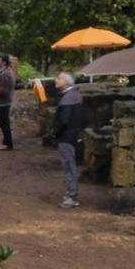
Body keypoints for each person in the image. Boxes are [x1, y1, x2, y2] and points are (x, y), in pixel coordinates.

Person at [52, 72, 85, 207]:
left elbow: (63, 120)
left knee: (68, 166)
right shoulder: (75, 96)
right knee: (70, 165)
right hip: (73, 135)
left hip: (66, 136)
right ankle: (72, 194)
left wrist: (55, 133)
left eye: (59, 78)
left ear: (66, 82)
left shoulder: (68, 99)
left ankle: (71, 196)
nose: (56, 79)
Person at [0, 55, 18, 151]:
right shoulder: (5, 71)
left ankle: (8, 144)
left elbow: (4, 89)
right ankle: (5, 142)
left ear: (3, 62)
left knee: (4, 123)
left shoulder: (5, 73)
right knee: (3, 123)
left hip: (3, 101)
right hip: (3, 101)